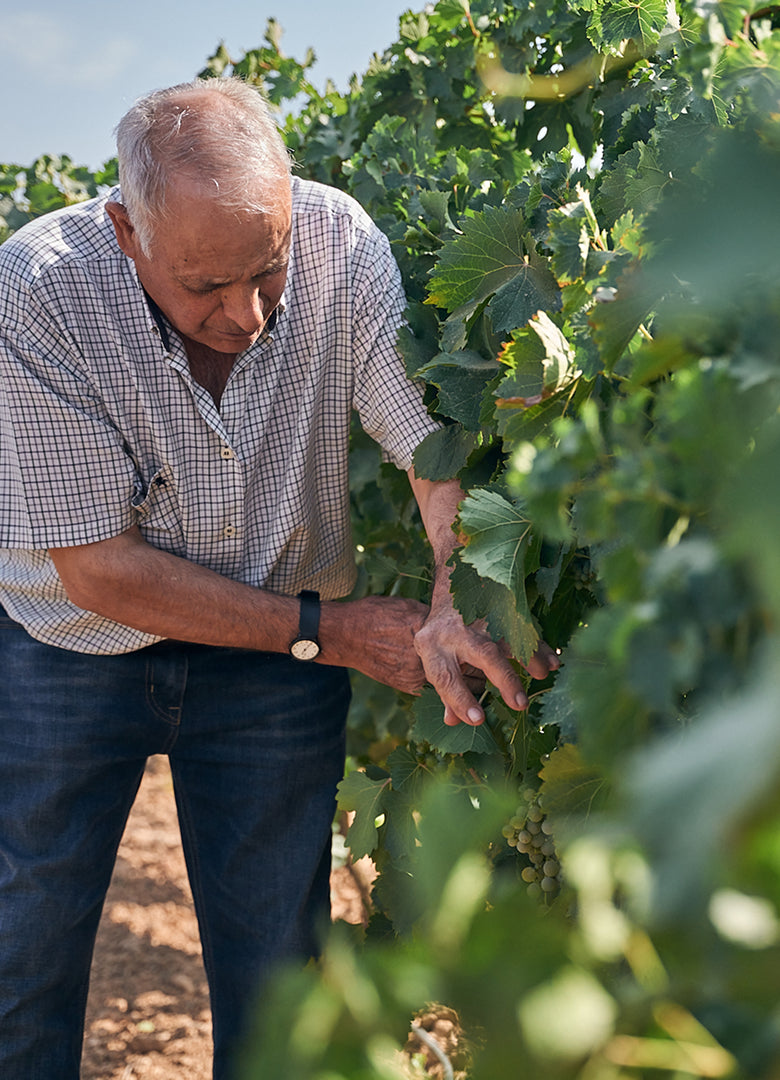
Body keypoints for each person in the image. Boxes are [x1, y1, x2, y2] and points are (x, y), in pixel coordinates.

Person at [0, 77, 558, 1078]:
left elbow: (427, 446)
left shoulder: (342, 245)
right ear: (129, 233)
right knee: (22, 957)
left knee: (279, 992)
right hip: (72, 650)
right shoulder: (41, 290)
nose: (247, 314)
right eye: (204, 285)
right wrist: (334, 633)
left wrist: (450, 595)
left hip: (269, 675)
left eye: (266, 268)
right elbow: (98, 572)